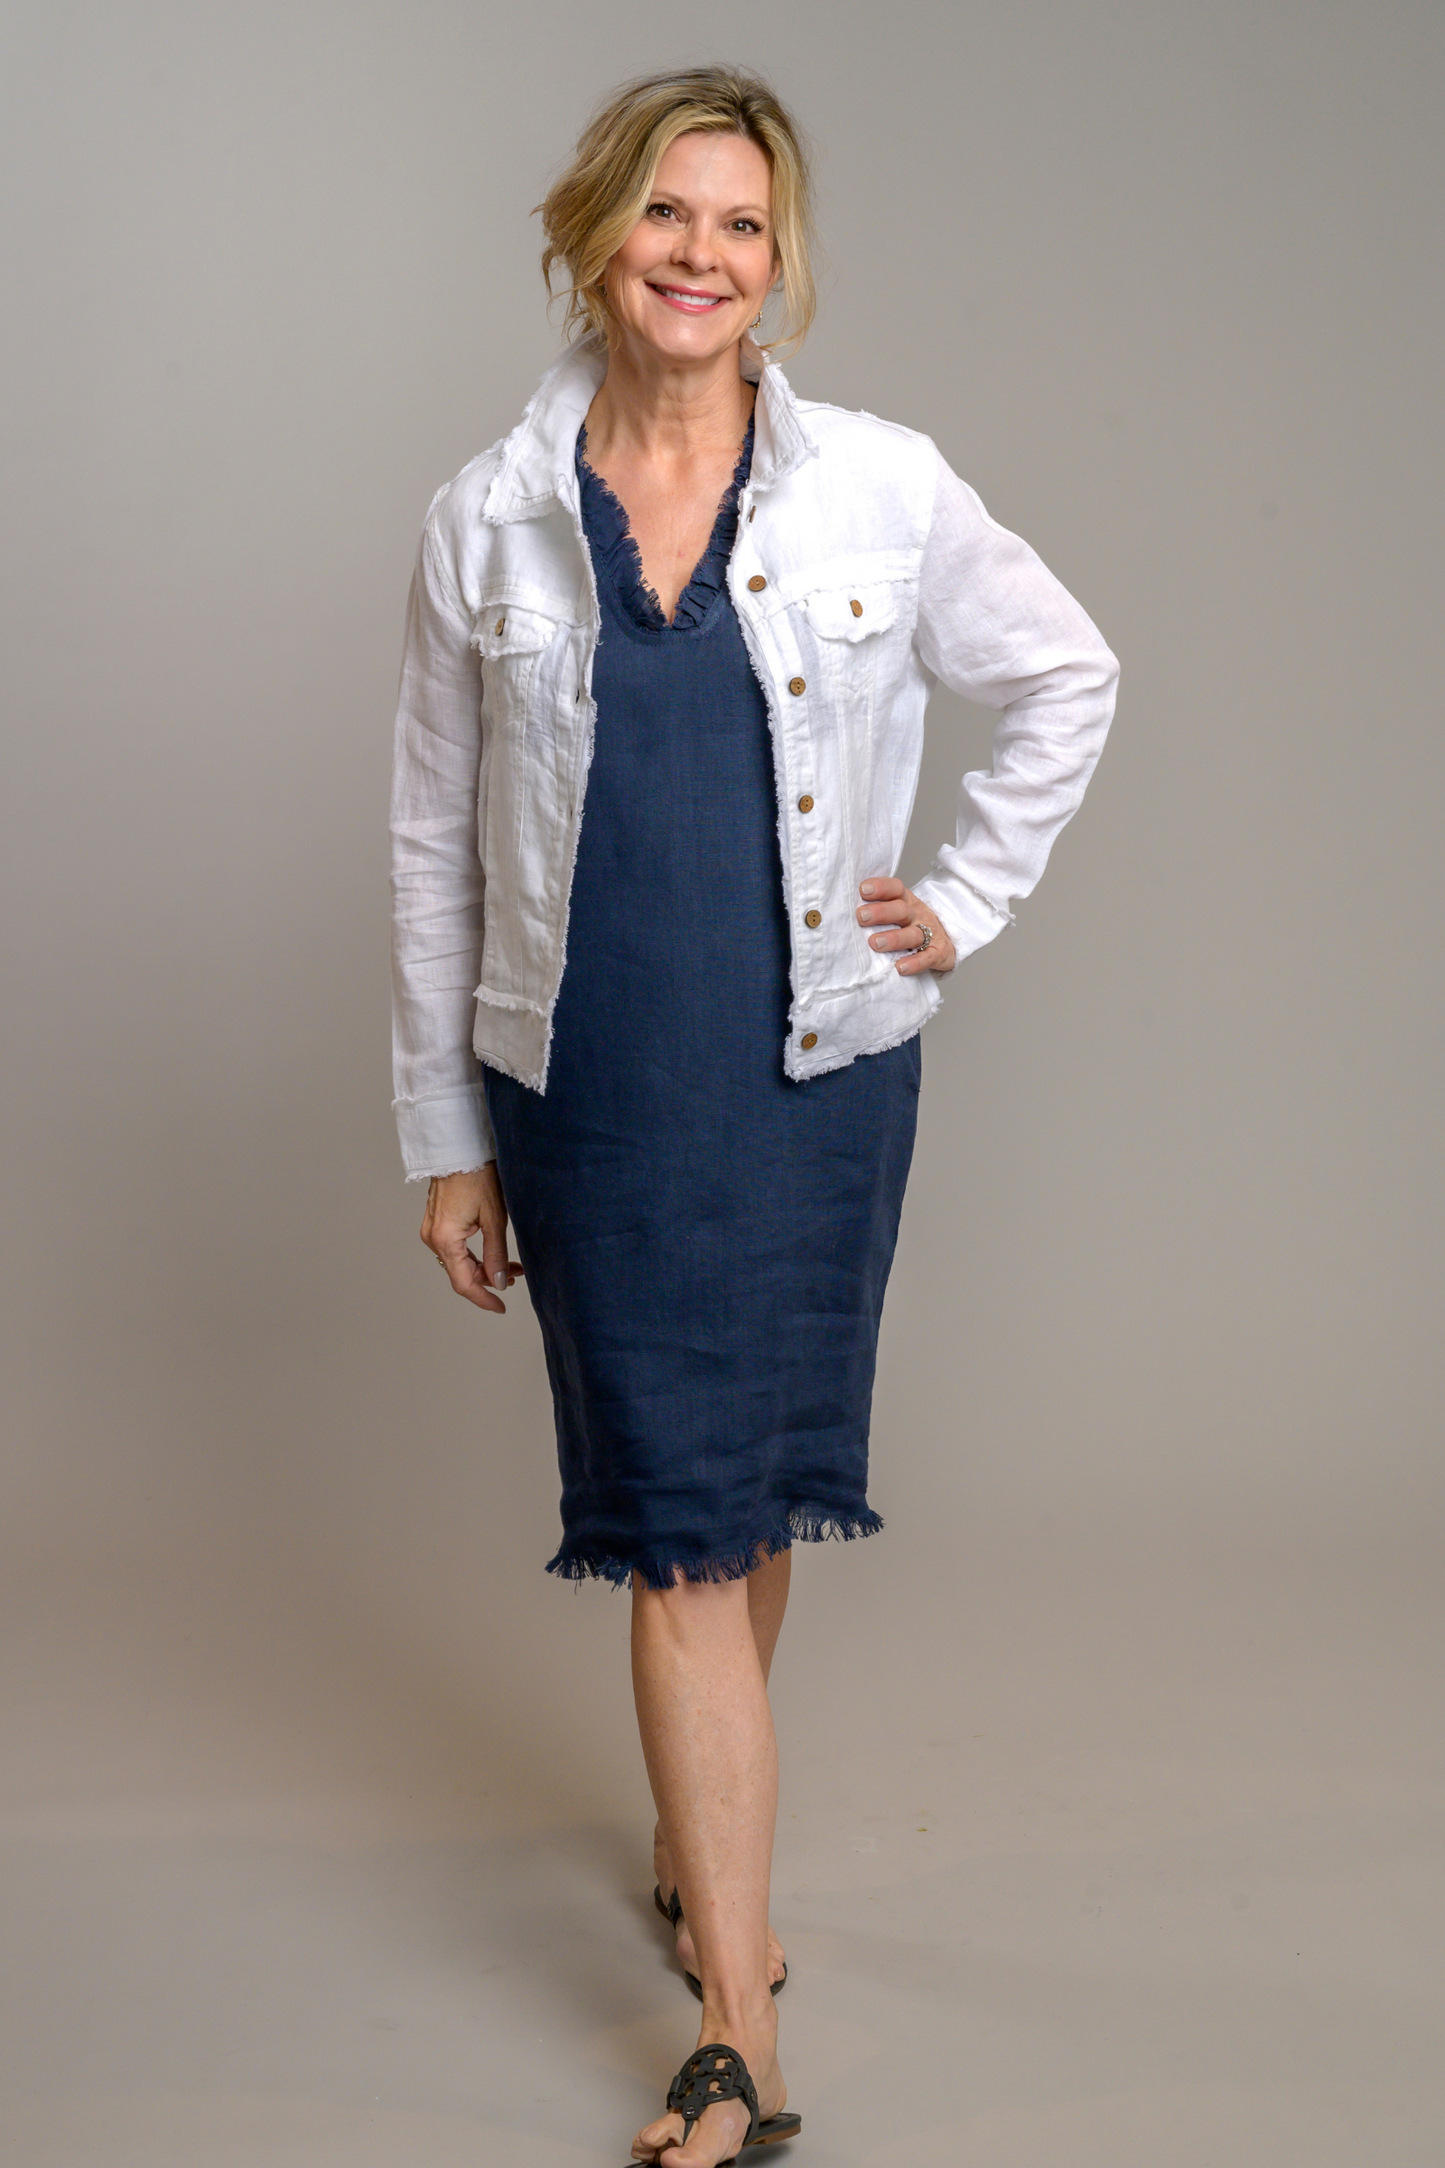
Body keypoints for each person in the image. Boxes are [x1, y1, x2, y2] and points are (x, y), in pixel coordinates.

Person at [389, 64, 1118, 2166]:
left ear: (776, 263)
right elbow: (431, 838)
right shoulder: (483, 518)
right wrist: (443, 1131)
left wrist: (960, 902)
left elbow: (1064, 675)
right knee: (686, 1532)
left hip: (816, 1075)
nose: (699, 256)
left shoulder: (877, 485)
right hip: (593, 1091)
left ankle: (697, 1859)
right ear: (591, 232)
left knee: (744, 1507)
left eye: (741, 224)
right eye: (665, 213)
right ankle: (736, 2027)